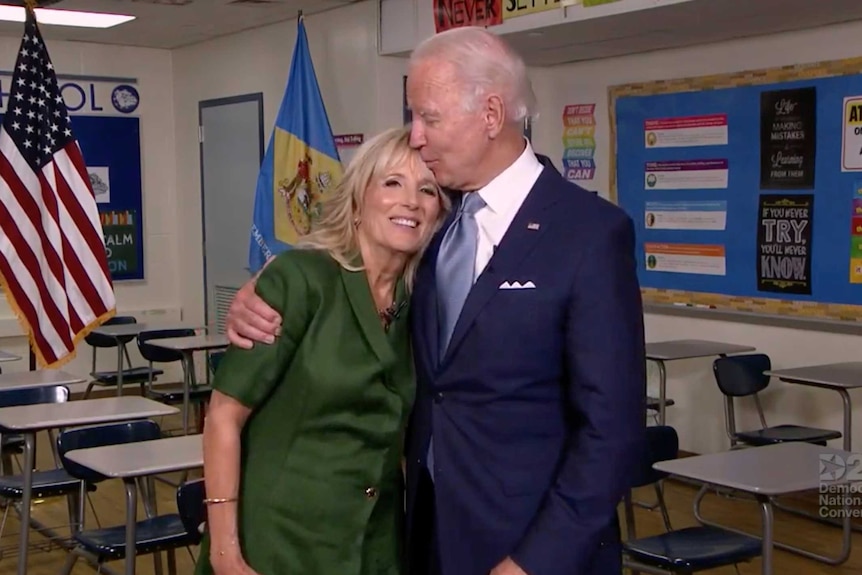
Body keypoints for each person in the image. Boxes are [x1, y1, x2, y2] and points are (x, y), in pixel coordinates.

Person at [225, 26, 646, 575]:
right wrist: (266, 282)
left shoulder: (588, 233)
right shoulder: (436, 229)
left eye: (430, 117)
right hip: (424, 537)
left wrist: (534, 561)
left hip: (530, 548)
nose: (416, 136)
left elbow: (610, 433)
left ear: (491, 115)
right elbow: (357, 272)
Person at [197, 125, 449, 575]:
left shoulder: (423, 303)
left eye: (427, 190)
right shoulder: (300, 280)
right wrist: (224, 551)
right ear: (357, 200)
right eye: (392, 183)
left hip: (374, 545)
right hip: (280, 541)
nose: (411, 201)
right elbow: (222, 415)